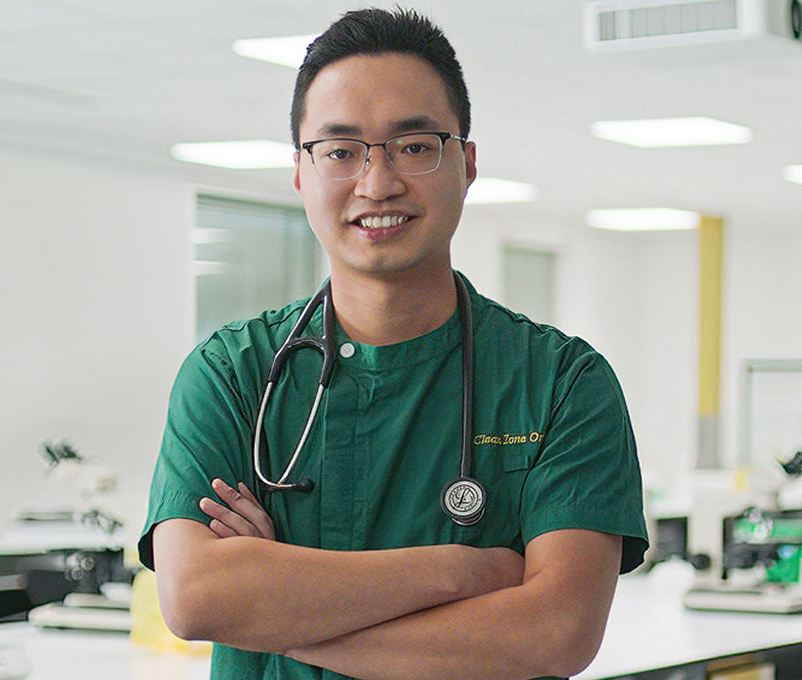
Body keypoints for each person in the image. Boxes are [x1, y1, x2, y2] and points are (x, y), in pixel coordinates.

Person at [138, 8, 647, 680]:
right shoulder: (231, 373)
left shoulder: (561, 383)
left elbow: (555, 633)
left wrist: (277, 612)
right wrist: (465, 570)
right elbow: (197, 598)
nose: (377, 183)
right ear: (301, 172)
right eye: (341, 151)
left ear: (465, 164)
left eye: (414, 146)